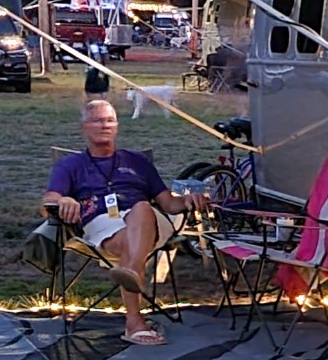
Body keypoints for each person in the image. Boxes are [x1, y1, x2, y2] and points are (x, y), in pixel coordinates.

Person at [42, 97, 210, 343]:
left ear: (117, 126)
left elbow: (167, 204)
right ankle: (133, 302)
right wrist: (63, 200)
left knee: (141, 208)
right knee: (131, 244)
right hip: (102, 224)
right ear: (84, 128)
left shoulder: (137, 162)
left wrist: (187, 200)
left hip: (149, 221)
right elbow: (48, 201)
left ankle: (133, 303)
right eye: (97, 121)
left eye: (110, 120)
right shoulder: (70, 165)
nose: (105, 125)